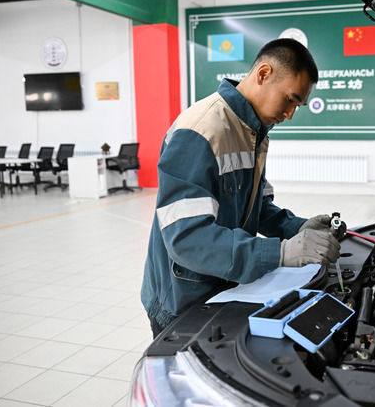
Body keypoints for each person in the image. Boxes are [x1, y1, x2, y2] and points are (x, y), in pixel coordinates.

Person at [141, 38, 341, 337]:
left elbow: (254, 207)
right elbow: (187, 238)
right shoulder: (200, 131)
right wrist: (279, 253)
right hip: (183, 301)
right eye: (290, 99)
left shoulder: (251, 130)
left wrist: (298, 228)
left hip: (222, 285)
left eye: (297, 106)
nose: (290, 114)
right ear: (263, 74)